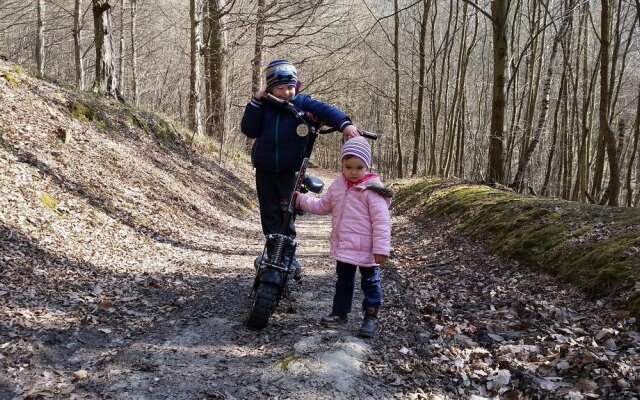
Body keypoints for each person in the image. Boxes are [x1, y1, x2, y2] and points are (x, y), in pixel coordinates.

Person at [241, 59, 360, 279]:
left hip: (290, 172)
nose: (286, 92)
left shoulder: (301, 103)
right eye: (281, 87)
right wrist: (255, 103)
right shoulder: (264, 106)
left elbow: (326, 110)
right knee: (270, 215)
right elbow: (248, 129)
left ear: (297, 86)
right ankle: (272, 252)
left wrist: (345, 124)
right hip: (265, 170)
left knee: (288, 213)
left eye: (290, 87)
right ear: (269, 88)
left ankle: (287, 255)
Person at [295, 136, 392, 338]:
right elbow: (323, 206)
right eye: (348, 167)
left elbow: (382, 222)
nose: (353, 172)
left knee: (371, 282)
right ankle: (340, 312)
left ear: (367, 166)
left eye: (359, 167)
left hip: (368, 249)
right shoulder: (338, 185)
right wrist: (301, 200)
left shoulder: (373, 191)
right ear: (342, 165)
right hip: (345, 246)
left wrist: (381, 249)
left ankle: (371, 316)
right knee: (343, 280)